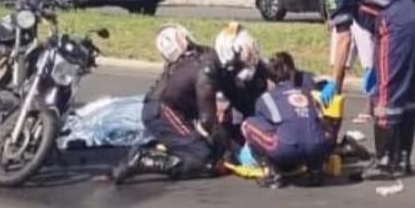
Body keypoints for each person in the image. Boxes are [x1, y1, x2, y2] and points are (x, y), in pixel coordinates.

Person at [307, 0, 415, 176]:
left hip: (393, 24)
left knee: (386, 94)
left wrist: (335, 82)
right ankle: (401, 157)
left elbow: (343, 38)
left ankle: (384, 161)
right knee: (408, 93)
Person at [112, 24, 227, 184]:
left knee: (204, 149)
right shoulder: (200, 63)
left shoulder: (187, 62)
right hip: (163, 111)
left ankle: (169, 150)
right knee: (205, 160)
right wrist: (222, 143)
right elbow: (207, 119)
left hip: (159, 108)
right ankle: (145, 160)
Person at [241, 52, 336, 189]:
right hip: (318, 147)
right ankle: (316, 170)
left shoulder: (267, 98)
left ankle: (271, 172)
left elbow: (266, 121)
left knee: (248, 124)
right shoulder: (307, 91)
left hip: (287, 148)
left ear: (270, 79)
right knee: (320, 125)